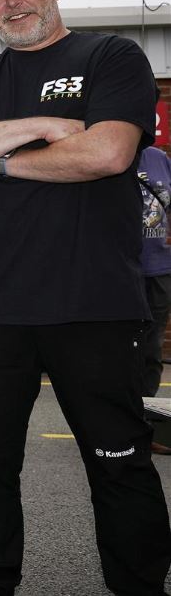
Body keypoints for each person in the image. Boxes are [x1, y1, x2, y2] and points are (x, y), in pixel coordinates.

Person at [0, 0, 171, 596]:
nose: (12, 1)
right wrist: (49, 126)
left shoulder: (110, 56)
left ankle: (139, 587)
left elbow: (107, 153)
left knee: (118, 461)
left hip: (94, 302)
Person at [137, 145, 171, 454]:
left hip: (159, 270)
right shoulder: (107, 151)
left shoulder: (159, 159)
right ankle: (113, 426)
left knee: (151, 351)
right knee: (117, 351)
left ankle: (144, 428)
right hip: (119, 272)